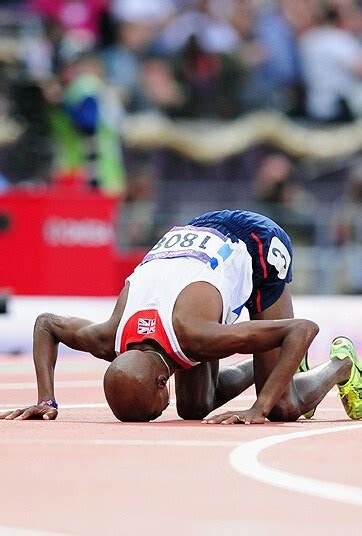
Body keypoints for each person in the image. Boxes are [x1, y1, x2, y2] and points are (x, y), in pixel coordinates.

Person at [1, 210, 361, 424]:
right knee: (195, 407)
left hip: (256, 242)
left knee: (284, 406)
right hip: (194, 239)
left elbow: (301, 330)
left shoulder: (197, 335)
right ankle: (272, 364)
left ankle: (340, 364)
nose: (165, 408)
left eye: (158, 407)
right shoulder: (109, 336)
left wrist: (258, 408)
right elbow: (46, 323)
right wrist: (46, 400)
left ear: (161, 382)